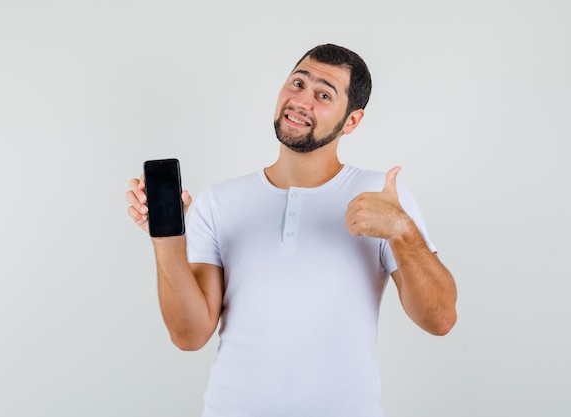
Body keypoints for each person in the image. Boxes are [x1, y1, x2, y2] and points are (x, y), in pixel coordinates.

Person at [125, 44, 457, 417]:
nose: (301, 100)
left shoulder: (381, 196)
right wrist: (168, 240)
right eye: (297, 83)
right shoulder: (219, 202)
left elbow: (440, 319)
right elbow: (189, 336)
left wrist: (402, 231)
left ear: (351, 121)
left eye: (323, 94)